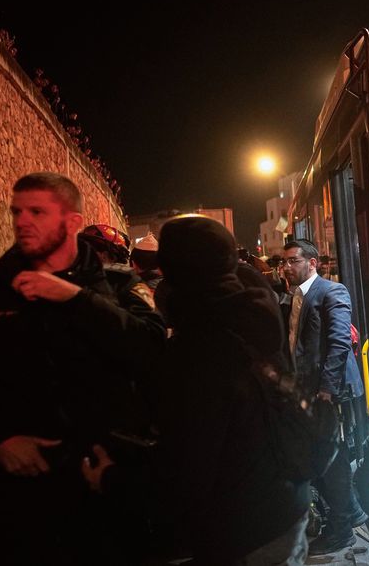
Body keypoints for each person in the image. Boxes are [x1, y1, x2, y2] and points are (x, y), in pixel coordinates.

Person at [0, 172, 166, 565]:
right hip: (17, 494)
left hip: (101, 483)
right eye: (17, 212)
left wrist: (78, 300)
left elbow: (150, 349)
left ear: (72, 221)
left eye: (37, 212)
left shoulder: (118, 285)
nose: (22, 222)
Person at [113, 215, 307, 565]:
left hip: (244, 527)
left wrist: (111, 477)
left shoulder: (198, 345)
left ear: (171, 270)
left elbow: (189, 463)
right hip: (286, 505)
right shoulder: (254, 311)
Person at [287, 239, 367, 555]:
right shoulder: (295, 297)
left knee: (333, 461)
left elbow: (339, 342)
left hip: (329, 392)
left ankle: (342, 529)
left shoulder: (332, 291)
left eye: (293, 260)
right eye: (283, 262)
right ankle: (350, 515)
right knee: (324, 458)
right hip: (308, 390)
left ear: (312, 263)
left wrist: (327, 389)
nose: (286, 267)